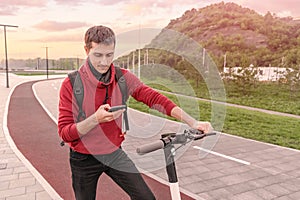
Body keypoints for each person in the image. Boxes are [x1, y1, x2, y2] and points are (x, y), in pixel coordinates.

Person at [58, 25, 213, 200]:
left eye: (109, 55)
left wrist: (192, 122)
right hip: (83, 158)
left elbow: (154, 98)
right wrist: (95, 119)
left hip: (113, 153)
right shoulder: (71, 84)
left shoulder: (122, 77)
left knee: (146, 198)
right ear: (87, 50)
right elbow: (65, 133)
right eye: (98, 55)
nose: (104, 62)